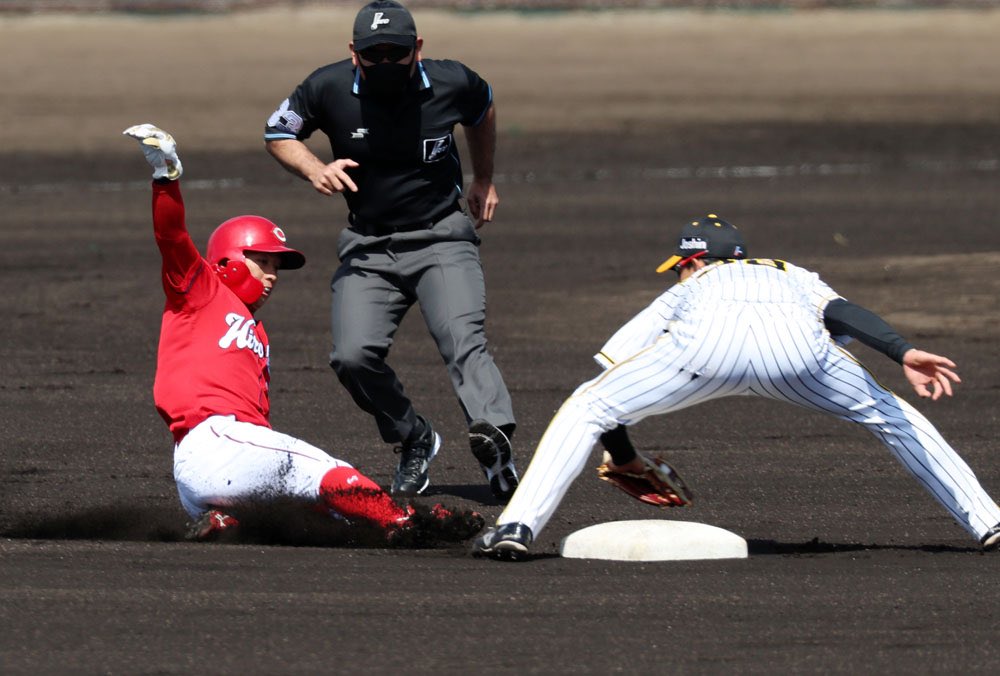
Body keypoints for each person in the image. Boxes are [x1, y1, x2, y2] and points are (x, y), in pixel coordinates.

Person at [472, 214, 1000, 560]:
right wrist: (902, 351)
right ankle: (989, 522)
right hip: (797, 355)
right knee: (892, 416)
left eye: (679, 268)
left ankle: (517, 528)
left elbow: (611, 372)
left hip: (704, 350)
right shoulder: (790, 272)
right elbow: (843, 313)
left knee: (585, 406)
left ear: (694, 261)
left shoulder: (693, 285)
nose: (677, 275)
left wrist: (625, 455)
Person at [123, 123, 481, 543]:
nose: (272, 276)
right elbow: (172, 237)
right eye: (263, 262)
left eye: (276, 267)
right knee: (329, 473)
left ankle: (226, 520)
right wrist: (166, 178)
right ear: (227, 260)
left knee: (328, 516)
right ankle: (403, 521)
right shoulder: (199, 290)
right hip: (218, 443)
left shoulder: (256, 331)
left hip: (220, 466)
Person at [263, 0, 518, 502]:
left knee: (462, 340)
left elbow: (483, 106)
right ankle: (413, 436)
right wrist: (314, 168)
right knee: (351, 357)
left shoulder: (451, 81)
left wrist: (484, 177)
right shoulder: (327, 87)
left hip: (441, 236)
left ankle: (494, 440)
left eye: (395, 53)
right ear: (353, 52)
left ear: (416, 49)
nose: (384, 62)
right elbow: (277, 131)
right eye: (372, 54)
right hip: (369, 246)